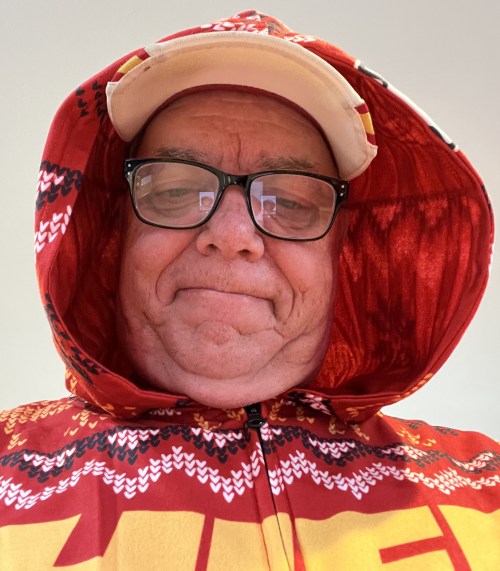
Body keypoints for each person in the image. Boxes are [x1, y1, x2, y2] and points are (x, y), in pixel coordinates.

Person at [1, 9, 498, 569]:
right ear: (112, 240)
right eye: (174, 191)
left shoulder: (488, 493)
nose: (233, 235)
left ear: (343, 258)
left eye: (289, 202)